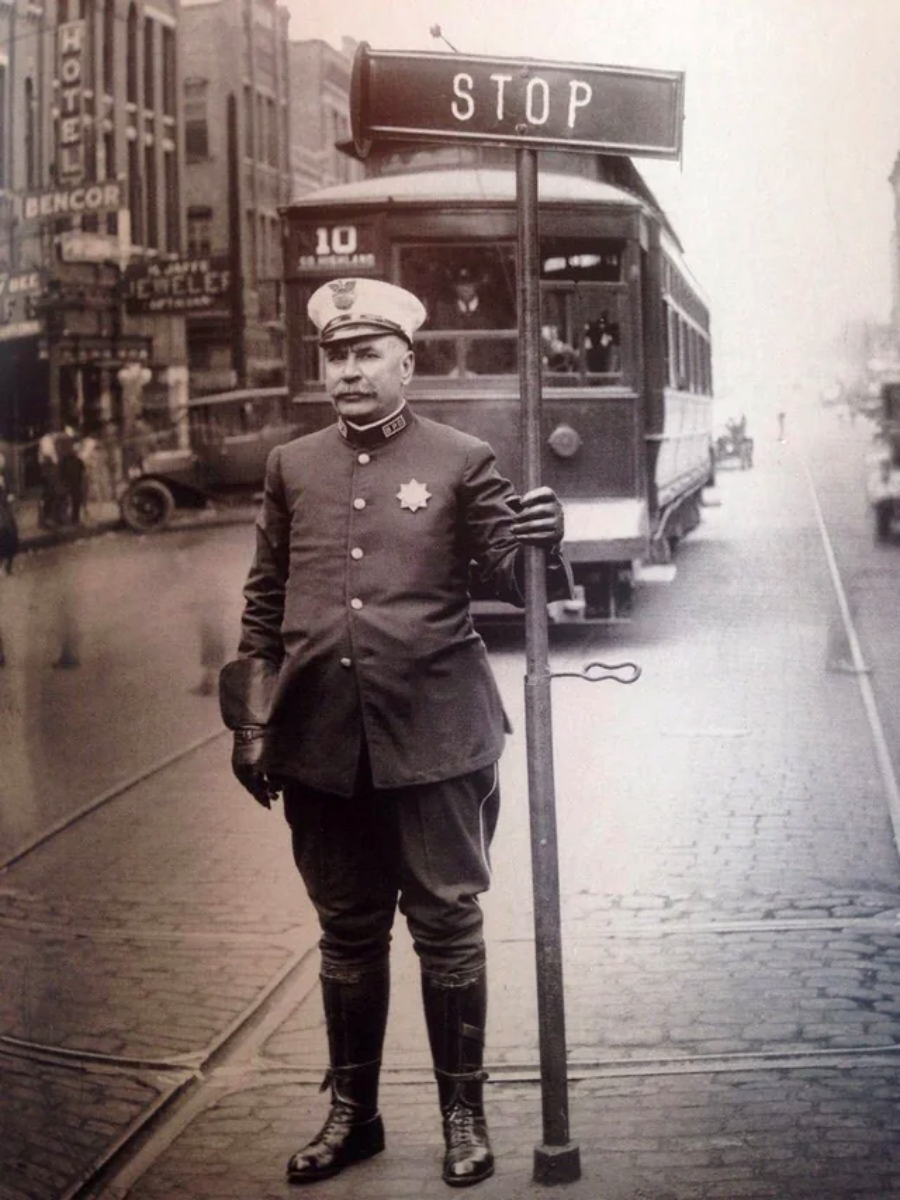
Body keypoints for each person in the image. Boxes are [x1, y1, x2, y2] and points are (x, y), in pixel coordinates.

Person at [219, 277, 571, 1189]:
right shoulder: (292, 466)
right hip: (323, 743)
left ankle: (463, 1115)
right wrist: (252, 720)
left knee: (447, 925)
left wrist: (544, 537)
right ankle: (354, 1113)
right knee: (346, 929)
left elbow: (516, 579)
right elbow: (264, 602)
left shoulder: (460, 458)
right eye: (334, 356)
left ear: (407, 363)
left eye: (365, 354)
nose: (347, 371)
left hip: (436, 736)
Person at [431, 266, 515, 375]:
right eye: (461, 284)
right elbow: (433, 349)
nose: (465, 288)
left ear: (476, 285)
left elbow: (503, 348)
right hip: (452, 380)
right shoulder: (444, 313)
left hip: (488, 380)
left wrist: (481, 373)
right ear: (454, 287)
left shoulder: (492, 312)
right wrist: (451, 370)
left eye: (469, 284)